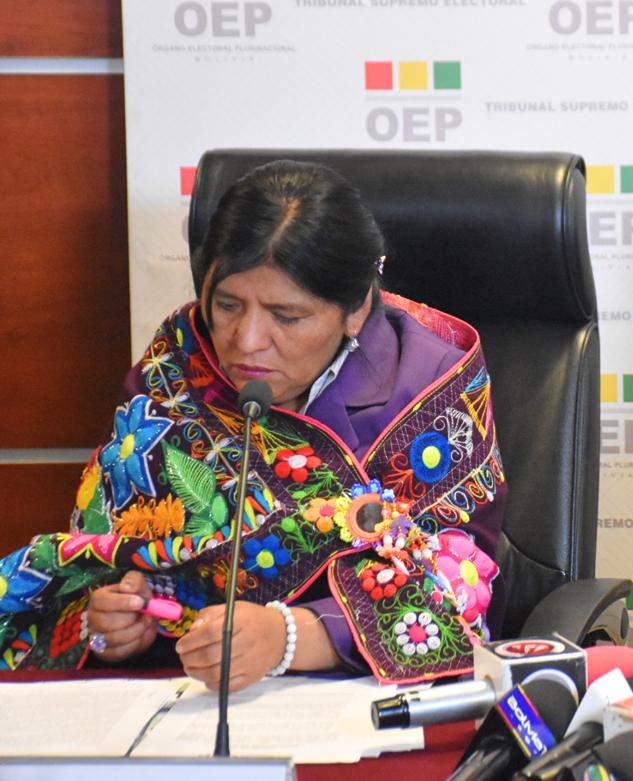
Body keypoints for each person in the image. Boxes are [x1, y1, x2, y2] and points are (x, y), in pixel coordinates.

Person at [0, 160, 505, 689]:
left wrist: (292, 637)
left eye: (286, 316)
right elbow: (102, 559)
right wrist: (113, 622)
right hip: (184, 691)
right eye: (227, 305)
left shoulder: (431, 388)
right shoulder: (175, 369)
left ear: (356, 308)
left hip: (358, 696)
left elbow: (456, 589)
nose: (246, 341)